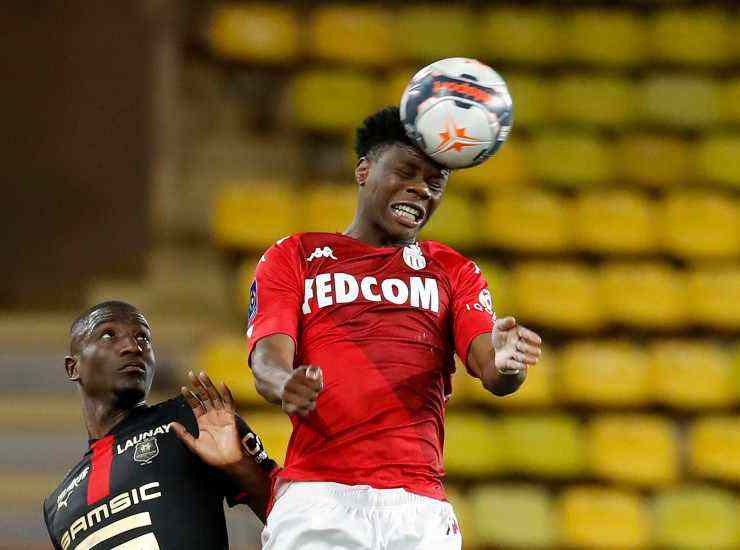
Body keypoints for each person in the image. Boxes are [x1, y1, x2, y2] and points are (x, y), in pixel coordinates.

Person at [247, 106, 543, 549]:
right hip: (319, 494)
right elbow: (267, 357)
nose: (421, 188)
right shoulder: (295, 255)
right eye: (407, 171)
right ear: (364, 170)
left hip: (418, 507)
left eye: (435, 181)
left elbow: (493, 370)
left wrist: (509, 362)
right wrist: (284, 381)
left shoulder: (453, 270)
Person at [43, 301, 277, 550]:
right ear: (73, 367)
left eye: (143, 338)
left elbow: (294, 513)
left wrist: (241, 467)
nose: (133, 347)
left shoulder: (195, 420)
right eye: (109, 335)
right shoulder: (58, 505)